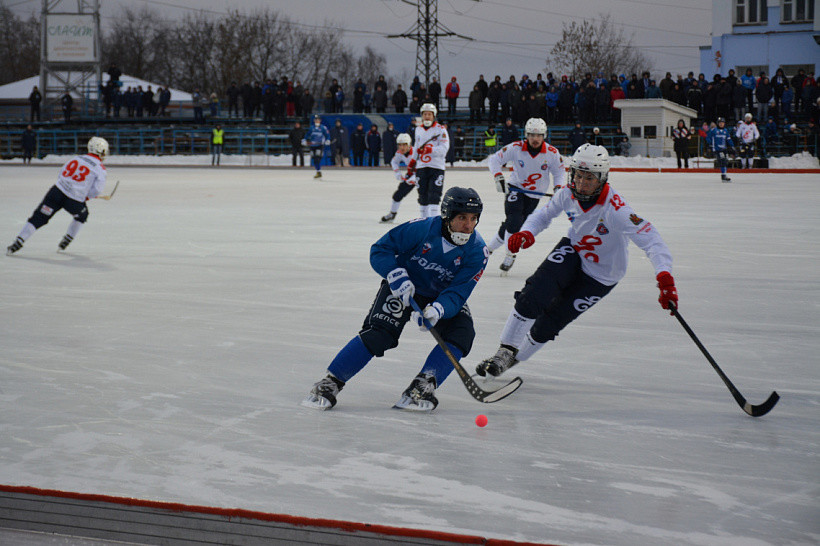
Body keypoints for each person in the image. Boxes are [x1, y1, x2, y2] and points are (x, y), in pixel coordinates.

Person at [475, 144, 676, 379]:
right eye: (578, 175)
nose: (581, 183)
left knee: (551, 321)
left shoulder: (616, 209)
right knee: (533, 293)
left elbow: (652, 240)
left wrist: (665, 278)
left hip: (602, 275)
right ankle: (504, 352)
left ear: (602, 179)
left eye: (589, 178)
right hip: (573, 250)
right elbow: (543, 215)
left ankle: (514, 360)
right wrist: (527, 232)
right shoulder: (567, 193)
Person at [302, 187, 488, 412]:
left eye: (473, 219)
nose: (468, 225)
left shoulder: (478, 251)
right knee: (380, 333)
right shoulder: (421, 229)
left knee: (462, 333)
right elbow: (380, 249)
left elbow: (459, 291)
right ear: (447, 215)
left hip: (440, 294)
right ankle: (331, 382)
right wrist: (395, 274)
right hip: (403, 285)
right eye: (462, 218)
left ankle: (423, 385)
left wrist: (439, 309)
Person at [486, 117, 565, 274]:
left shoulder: (552, 153)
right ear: (526, 135)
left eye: (539, 135)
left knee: (512, 224)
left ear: (544, 136)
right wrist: (498, 177)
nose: (535, 139)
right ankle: (510, 254)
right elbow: (494, 160)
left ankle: (488, 249)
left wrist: (558, 188)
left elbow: (559, 172)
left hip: (535, 195)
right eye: (531, 135)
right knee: (514, 220)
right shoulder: (516, 148)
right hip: (516, 188)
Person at [7, 137, 110, 256]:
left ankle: (18, 241)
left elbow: (62, 173)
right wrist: (85, 197)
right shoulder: (100, 168)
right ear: (102, 151)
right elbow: (97, 190)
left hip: (56, 192)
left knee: (39, 217)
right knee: (82, 215)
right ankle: (67, 240)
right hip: (73, 200)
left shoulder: (76, 158)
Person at [407, 103, 450, 218]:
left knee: (434, 195)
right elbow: (416, 146)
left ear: (434, 115)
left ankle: (433, 220)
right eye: (425, 114)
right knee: (422, 195)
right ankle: (423, 220)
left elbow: (444, 149)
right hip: (421, 166)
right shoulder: (418, 129)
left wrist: (429, 149)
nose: (427, 116)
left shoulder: (441, 130)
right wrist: (412, 161)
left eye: (429, 114)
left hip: (436, 167)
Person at [379, 133, 418, 223]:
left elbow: (424, 167)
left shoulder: (416, 152)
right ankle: (392, 214)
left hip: (424, 176)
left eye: (404, 144)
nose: (402, 147)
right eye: (400, 145)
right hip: (411, 175)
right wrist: (397, 172)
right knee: (397, 195)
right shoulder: (399, 153)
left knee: (427, 199)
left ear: (409, 145)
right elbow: (394, 161)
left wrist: (414, 178)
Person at [708, 117, 735, 182]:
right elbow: (708, 137)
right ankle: (723, 176)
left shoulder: (725, 131)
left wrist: (732, 146)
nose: (721, 124)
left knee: (725, 161)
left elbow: (728, 139)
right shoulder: (714, 130)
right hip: (717, 149)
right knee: (722, 160)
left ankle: (724, 175)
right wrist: (710, 145)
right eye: (720, 123)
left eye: (722, 123)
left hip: (724, 149)